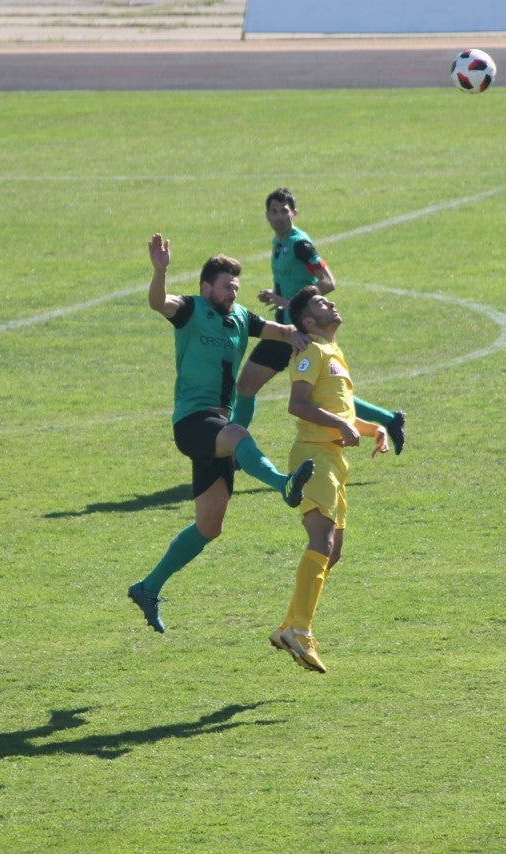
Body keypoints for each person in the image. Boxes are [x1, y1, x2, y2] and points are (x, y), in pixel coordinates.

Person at [127, 234, 316, 633]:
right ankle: (284, 485)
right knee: (237, 436)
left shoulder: (240, 318)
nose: (233, 293)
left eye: (236, 287)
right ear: (205, 287)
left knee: (209, 526)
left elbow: (273, 330)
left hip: (216, 423)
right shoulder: (191, 309)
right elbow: (158, 303)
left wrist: (296, 334)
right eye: (226, 286)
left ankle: (147, 587)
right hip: (193, 421)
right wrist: (160, 271)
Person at [232, 187, 407, 454]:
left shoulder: (301, 245)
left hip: (298, 331)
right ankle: (389, 419)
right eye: (274, 211)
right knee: (317, 390)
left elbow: (327, 282)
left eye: (285, 212)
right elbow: (296, 282)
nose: (279, 217)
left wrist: (289, 303)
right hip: (287, 328)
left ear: (295, 214)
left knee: (250, 385)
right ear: (267, 214)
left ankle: (233, 449)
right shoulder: (279, 242)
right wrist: (278, 296)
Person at [269, 286, 389, 673]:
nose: (331, 303)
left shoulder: (334, 353)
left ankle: (288, 625)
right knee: (320, 541)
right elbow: (298, 405)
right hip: (313, 458)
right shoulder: (312, 352)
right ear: (307, 322)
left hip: (335, 460)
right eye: (322, 303)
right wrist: (340, 423)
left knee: (332, 551)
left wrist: (372, 429)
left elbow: (337, 411)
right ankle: (301, 630)